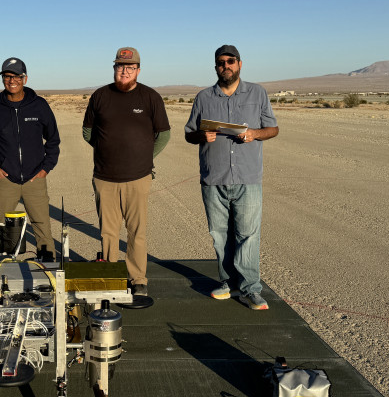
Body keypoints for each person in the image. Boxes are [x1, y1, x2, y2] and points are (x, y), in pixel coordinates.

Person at [183, 44, 279, 310]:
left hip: (248, 177)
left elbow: (273, 128)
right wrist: (201, 136)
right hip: (214, 178)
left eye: (230, 61)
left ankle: (250, 289)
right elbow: (189, 133)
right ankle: (227, 282)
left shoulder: (257, 93)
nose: (225, 66)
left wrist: (254, 134)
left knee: (248, 234)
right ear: (215, 67)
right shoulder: (204, 98)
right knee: (220, 234)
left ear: (239, 63)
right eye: (220, 62)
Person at [82, 47, 170, 297]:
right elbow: (87, 132)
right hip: (104, 178)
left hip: (138, 177)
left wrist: (144, 157)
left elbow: (163, 134)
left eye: (129, 68)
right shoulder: (100, 96)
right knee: (108, 232)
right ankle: (110, 275)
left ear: (138, 71)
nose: (124, 71)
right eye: (119, 66)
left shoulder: (150, 97)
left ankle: (138, 279)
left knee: (136, 231)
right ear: (114, 69)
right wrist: (107, 152)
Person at [0, 57, 60, 261]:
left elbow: (53, 140)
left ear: (25, 79)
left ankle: (49, 270)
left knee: (42, 226)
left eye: (17, 76)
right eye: (7, 76)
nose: (12, 80)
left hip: (34, 179)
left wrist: (46, 167)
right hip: (4, 181)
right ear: (3, 79)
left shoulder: (39, 106)